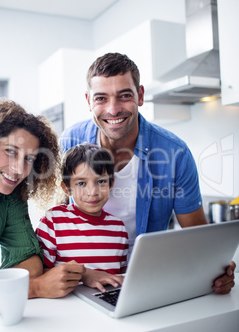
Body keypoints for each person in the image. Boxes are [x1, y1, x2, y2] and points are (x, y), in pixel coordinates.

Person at [61, 52, 236, 295]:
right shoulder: (69, 142)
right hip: (79, 280)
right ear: (88, 101)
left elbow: (197, 237)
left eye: (124, 96)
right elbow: (54, 219)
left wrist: (217, 272)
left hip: (144, 281)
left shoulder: (175, 153)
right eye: (101, 98)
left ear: (140, 96)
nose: (113, 109)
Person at [0, 100, 85, 305]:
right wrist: (35, 287)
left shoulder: (10, 199)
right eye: (10, 151)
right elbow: (32, 279)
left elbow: (31, 265)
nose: (18, 169)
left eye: (29, 159)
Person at [35, 143, 128, 293]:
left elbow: (119, 277)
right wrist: (83, 275)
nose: (92, 192)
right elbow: (39, 274)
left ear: (111, 183)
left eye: (101, 181)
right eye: (81, 183)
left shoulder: (119, 228)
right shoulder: (52, 222)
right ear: (67, 188)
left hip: (106, 303)